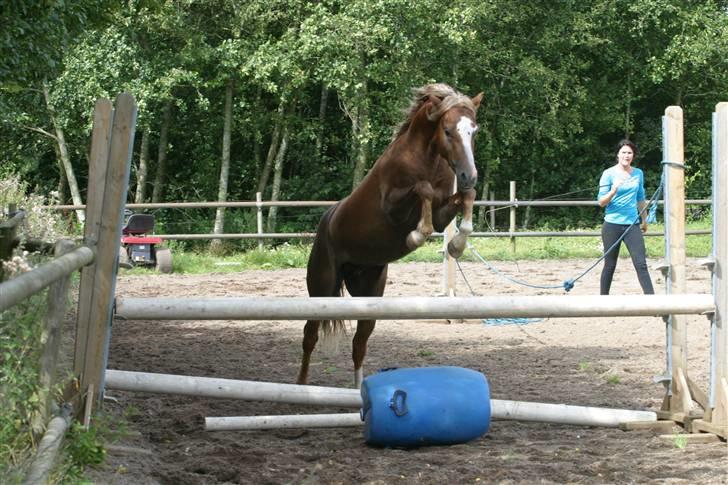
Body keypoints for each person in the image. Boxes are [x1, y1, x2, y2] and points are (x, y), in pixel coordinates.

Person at [597, 139, 654, 295]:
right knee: (610, 265)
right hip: (612, 225)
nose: (626, 155)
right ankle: (603, 299)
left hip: (631, 225)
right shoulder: (608, 174)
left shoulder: (638, 173)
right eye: (624, 152)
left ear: (633, 156)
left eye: (629, 153)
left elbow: (640, 198)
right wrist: (613, 190)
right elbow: (601, 202)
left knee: (641, 264)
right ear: (618, 154)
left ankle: (652, 300)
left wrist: (644, 220)